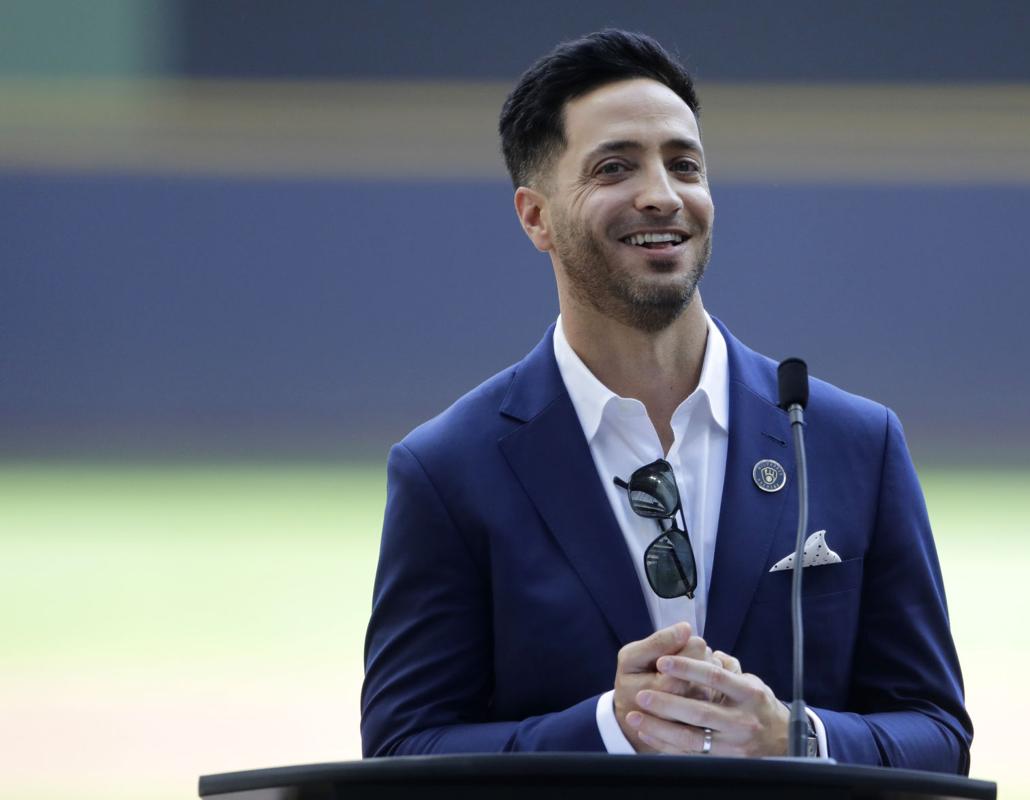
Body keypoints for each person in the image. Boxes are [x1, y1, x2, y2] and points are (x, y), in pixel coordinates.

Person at [361, 29, 971, 773]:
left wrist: (794, 738)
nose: (662, 193)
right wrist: (609, 729)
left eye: (684, 165)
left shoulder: (853, 442)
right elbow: (399, 753)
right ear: (535, 216)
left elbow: (939, 736)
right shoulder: (447, 470)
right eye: (616, 167)